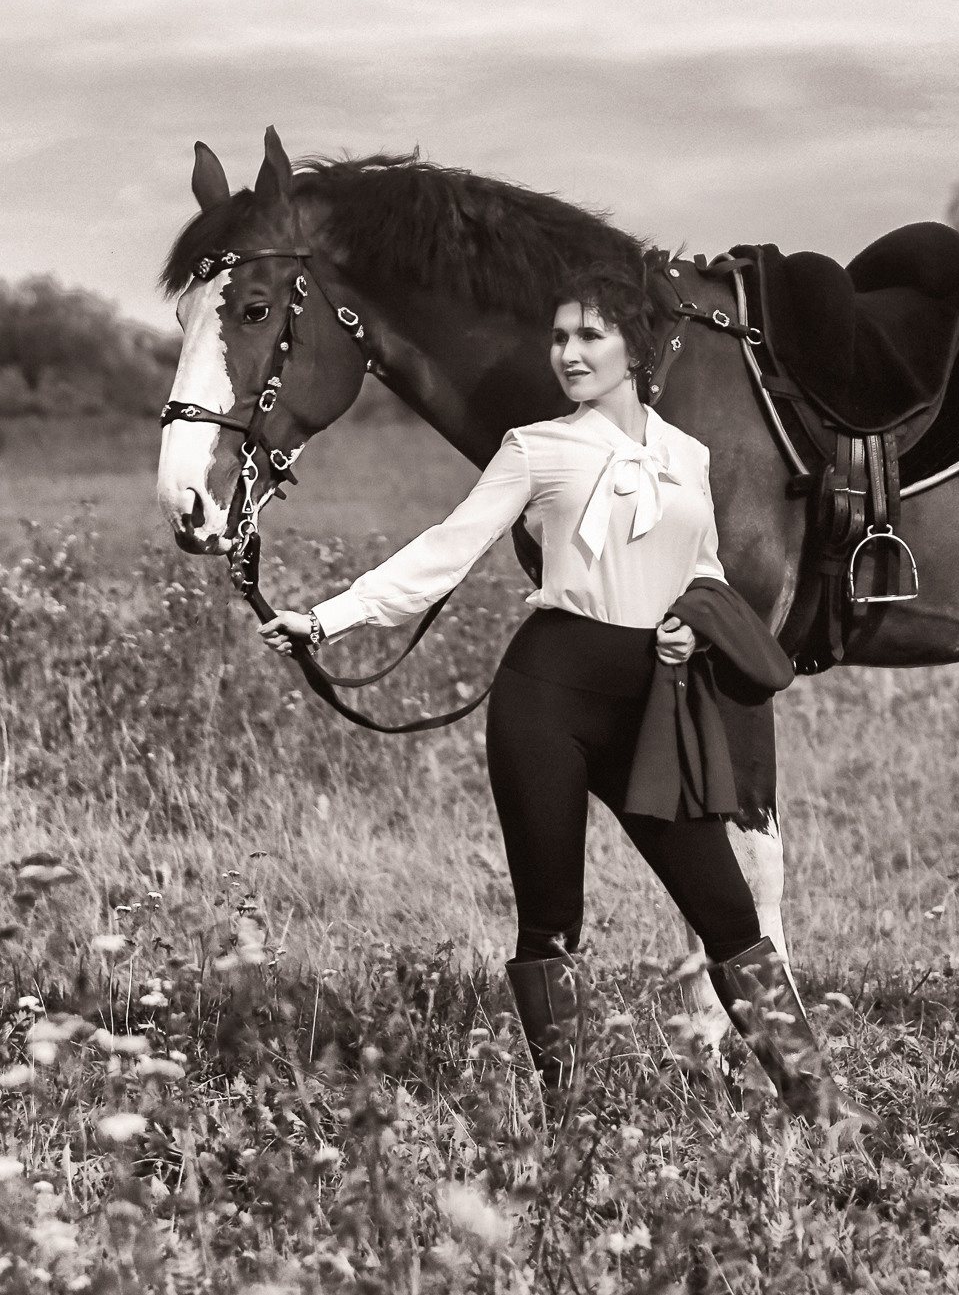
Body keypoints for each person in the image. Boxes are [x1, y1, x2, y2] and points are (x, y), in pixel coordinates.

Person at [257, 263, 853, 1118]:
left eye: (589, 336)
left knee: (727, 913)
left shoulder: (689, 454)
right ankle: (567, 1117)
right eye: (560, 337)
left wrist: (693, 615)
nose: (568, 354)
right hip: (550, 692)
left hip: (657, 702)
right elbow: (445, 550)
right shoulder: (534, 447)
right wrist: (326, 619)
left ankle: (818, 1105)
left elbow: (707, 567)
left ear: (635, 348)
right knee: (551, 921)